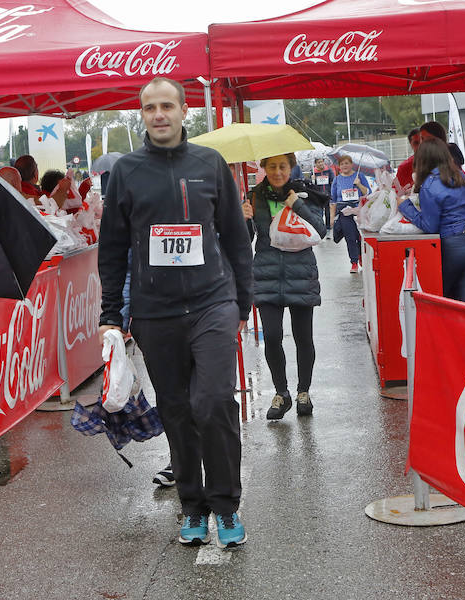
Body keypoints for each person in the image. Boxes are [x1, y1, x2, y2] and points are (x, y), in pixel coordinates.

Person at [98, 77, 253, 548]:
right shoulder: (126, 171)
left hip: (212, 302)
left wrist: (243, 301)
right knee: (179, 410)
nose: (159, 114)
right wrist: (111, 312)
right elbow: (113, 248)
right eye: (149, 108)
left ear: (185, 111)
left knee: (213, 402)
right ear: (141, 115)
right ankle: (192, 504)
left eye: (167, 106)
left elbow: (234, 236)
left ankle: (226, 506)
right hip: (155, 311)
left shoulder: (210, 163)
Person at [242, 152, 328, 420]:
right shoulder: (255, 196)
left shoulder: (305, 194)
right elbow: (246, 240)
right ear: (264, 168)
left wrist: (297, 205)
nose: (278, 172)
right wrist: (244, 219)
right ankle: (282, 393)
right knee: (271, 336)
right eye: (272, 166)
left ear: (291, 168)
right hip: (267, 275)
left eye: (283, 166)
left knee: (303, 337)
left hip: (301, 274)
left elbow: (320, 230)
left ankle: (304, 392)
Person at [397, 138, 465, 303]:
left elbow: (430, 226)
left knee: (443, 300)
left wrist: (405, 206)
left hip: (453, 246)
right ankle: (464, 329)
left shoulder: (430, 185)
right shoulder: (461, 177)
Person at [330, 155, 370, 273]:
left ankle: (360, 256)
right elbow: (333, 200)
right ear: (339, 166)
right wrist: (332, 217)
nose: (344, 166)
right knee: (350, 237)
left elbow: (368, 192)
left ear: (351, 164)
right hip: (344, 211)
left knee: (359, 236)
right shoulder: (337, 179)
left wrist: (359, 184)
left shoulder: (359, 176)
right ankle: (354, 262)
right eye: (342, 164)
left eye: (347, 163)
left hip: (358, 209)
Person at [309, 157, 334, 229]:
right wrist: (312, 179)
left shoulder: (329, 170)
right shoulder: (313, 172)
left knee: (327, 210)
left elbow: (332, 181)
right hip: (318, 194)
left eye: (321, 162)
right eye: (318, 162)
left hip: (327, 193)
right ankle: (320, 225)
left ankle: (328, 226)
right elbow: (312, 185)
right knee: (319, 211)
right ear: (315, 164)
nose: (320, 164)